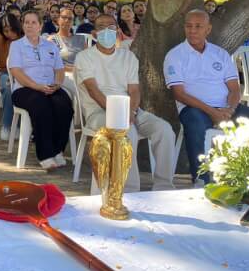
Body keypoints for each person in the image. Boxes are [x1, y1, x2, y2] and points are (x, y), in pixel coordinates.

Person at [164, 9, 249, 184]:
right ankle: (201, 182)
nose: (192, 30)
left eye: (198, 26)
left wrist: (229, 110)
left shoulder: (220, 54)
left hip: (226, 108)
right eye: (189, 26)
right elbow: (179, 93)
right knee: (196, 126)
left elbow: (235, 89)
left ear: (208, 29)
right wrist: (212, 112)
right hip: (194, 108)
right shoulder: (175, 55)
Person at [75, 14, 175, 191]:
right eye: (102, 27)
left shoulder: (128, 57)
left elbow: (134, 90)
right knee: (129, 133)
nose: (107, 31)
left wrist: (132, 111)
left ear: (118, 32)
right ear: (94, 34)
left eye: (111, 27)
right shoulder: (85, 57)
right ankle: (129, 190)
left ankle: (164, 186)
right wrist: (119, 114)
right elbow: (93, 91)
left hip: (131, 109)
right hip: (98, 112)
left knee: (164, 129)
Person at [8, 9, 73, 170]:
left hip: (50, 87)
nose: (30, 26)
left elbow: (59, 70)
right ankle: (45, 155)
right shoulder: (16, 46)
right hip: (25, 89)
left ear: (40, 25)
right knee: (41, 106)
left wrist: (57, 84)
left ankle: (57, 150)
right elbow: (16, 71)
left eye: (33, 22)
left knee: (65, 105)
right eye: (26, 22)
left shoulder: (50, 45)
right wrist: (37, 87)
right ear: (22, 25)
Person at [0, 12, 24, 140]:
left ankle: (20, 126)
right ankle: (7, 126)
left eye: (12, 30)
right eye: (6, 30)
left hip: (20, 73)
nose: (9, 33)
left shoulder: (24, 38)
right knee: (10, 88)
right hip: (2, 72)